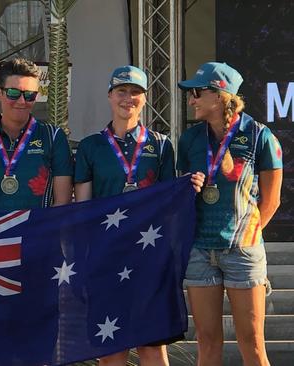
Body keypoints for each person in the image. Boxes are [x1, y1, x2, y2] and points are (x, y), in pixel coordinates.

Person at [73, 65, 204, 366]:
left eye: (136, 93)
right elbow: (82, 208)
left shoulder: (161, 145)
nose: (128, 98)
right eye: (122, 91)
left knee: (152, 346)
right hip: (105, 256)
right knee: (110, 348)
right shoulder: (91, 146)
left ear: (145, 99)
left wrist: (190, 188)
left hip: (149, 255)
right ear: (109, 96)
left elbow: (169, 203)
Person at [0, 58, 73, 364]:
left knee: (38, 343)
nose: (22, 101)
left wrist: (41, 243)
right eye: (14, 93)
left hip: (39, 257)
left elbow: (62, 204)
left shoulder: (53, 138)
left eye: (30, 95)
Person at [177, 62, 282, 366]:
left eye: (196, 92)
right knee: (207, 343)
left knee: (252, 343)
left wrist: (245, 235)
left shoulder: (260, 135)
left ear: (220, 95)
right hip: (200, 250)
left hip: (243, 252)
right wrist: (188, 187)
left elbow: (272, 201)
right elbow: (183, 193)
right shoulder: (190, 139)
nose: (191, 99)